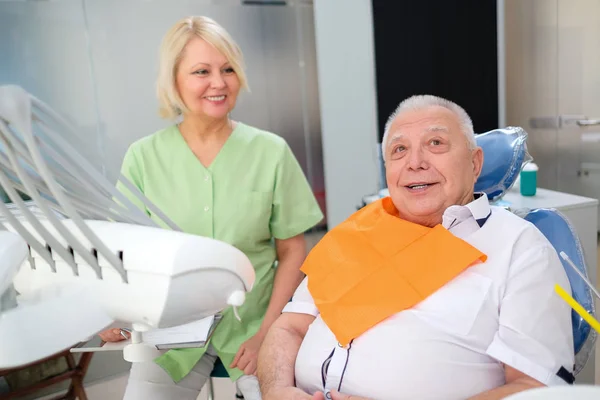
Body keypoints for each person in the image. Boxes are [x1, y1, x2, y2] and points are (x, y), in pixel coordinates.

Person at [257, 95, 575, 400]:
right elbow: (289, 328)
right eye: (399, 150)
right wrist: (276, 391)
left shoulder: (520, 248)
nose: (415, 162)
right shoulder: (356, 231)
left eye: (435, 143)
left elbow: (533, 389)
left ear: (475, 162)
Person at [98, 15, 323, 400]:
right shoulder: (143, 157)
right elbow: (124, 251)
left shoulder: (270, 152)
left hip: (254, 324)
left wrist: (268, 330)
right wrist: (112, 312)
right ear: (174, 81)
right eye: (202, 71)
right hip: (171, 330)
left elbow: (291, 251)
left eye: (228, 69)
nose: (219, 83)